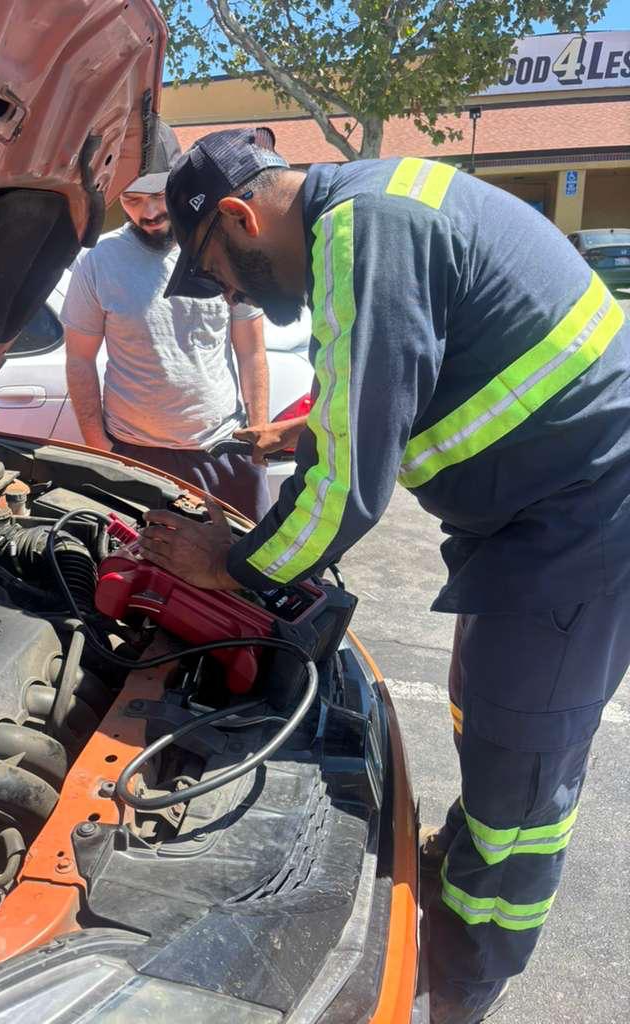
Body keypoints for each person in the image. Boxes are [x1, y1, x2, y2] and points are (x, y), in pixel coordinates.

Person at [137, 127, 630, 1024]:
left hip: (584, 520)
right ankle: (460, 860)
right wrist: (302, 432)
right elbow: (396, 380)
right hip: (538, 514)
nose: (234, 294)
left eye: (221, 274)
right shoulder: (367, 209)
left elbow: (349, 495)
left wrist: (233, 565)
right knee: (484, 711)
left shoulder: (360, 232)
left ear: (242, 217)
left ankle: (467, 974)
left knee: (523, 763)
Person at [60, 122, 270, 522]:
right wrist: (98, 447)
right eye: (133, 200)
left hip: (221, 450)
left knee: (235, 575)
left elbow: (251, 349)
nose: (149, 213)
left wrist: (257, 433)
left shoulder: (223, 246)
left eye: (158, 196)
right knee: (141, 573)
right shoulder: (98, 262)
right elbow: (79, 359)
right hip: (133, 453)